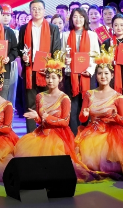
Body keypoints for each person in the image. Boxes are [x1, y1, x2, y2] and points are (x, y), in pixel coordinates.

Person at [14, 53, 91, 181]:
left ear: (60, 79)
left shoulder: (64, 98)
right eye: (48, 77)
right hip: (43, 132)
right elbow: (41, 121)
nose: (50, 80)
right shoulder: (40, 96)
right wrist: (37, 117)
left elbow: (65, 122)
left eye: (54, 77)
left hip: (59, 135)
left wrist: (48, 118)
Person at [74, 48, 123, 180]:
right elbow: (82, 118)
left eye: (106, 73)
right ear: (96, 76)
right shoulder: (89, 94)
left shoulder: (118, 97)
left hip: (111, 133)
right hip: (92, 130)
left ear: (112, 75)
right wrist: (85, 114)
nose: (103, 76)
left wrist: (115, 116)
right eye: (100, 73)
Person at [20, 0, 63, 133]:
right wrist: (23, 57)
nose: (36, 11)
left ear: (44, 10)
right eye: (34, 9)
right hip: (30, 70)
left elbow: (56, 49)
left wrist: (50, 67)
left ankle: (49, 132)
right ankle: (31, 135)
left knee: (48, 103)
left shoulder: (52, 28)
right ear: (30, 11)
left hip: (47, 71)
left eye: (39, 8)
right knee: (31, 104)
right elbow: (21, 48)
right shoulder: (24, 28)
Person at [64, 8, 99, 134]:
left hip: (87, 76)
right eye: (75, 17)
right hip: (71, 76)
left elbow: (96, 55)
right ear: (71, 19)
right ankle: (74, 136)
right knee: (72, 109)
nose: (78, 19)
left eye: (81, 17)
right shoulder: (65, 35)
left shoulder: (92, 35)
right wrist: (65, 61)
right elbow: (62, 54)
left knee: (86, 107)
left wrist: (89, 70)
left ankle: (86, 135)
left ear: (85, 19)